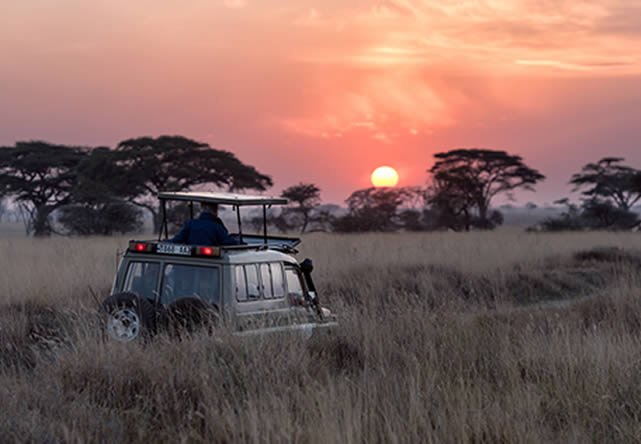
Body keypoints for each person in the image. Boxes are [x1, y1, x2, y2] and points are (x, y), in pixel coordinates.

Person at [168, 202, 239, 246]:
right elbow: (227, 241)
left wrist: (165, 242)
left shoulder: (190, 223)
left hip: (191, 261)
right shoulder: (216, 226)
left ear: (201, 209)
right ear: (214, 211)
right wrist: (240, 243)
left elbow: (177, 239)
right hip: (211, 261)